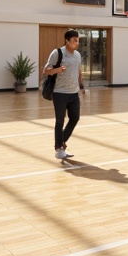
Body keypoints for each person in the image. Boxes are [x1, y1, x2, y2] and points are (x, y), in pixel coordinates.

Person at [44, 29, 88, 159]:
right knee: (59, 121)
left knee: (75, 118)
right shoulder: (57, 53)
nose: (77, 42)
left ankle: (61, 142)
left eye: (78, 40)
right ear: (67, 41)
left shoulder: (78, 55)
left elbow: (79, 71)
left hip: (74, 93)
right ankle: (59, 149)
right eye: (74, 40)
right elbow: (46, 70)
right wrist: (58, 69)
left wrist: (81, 86)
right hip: (60, 93)